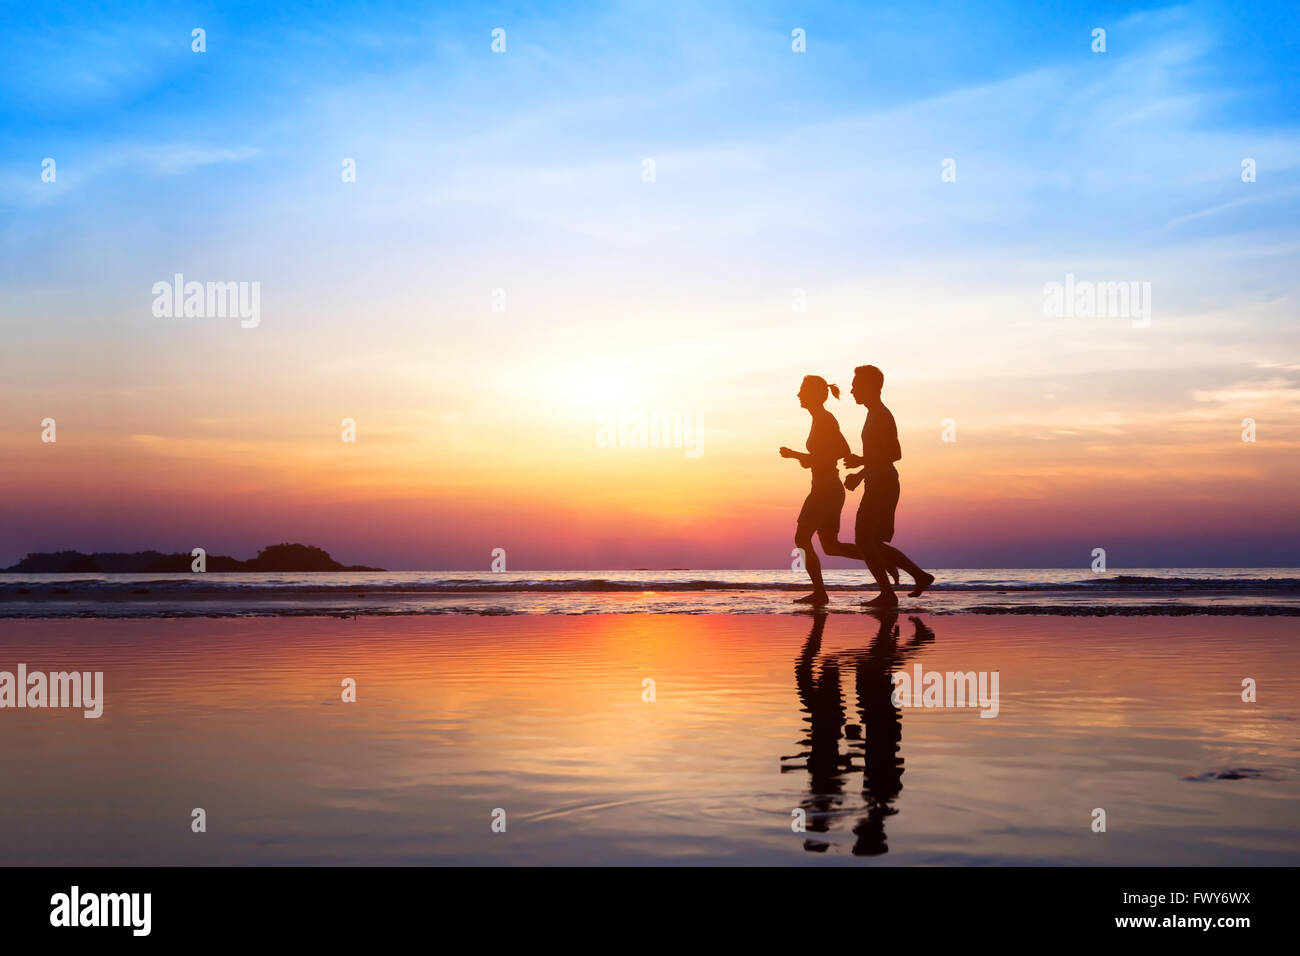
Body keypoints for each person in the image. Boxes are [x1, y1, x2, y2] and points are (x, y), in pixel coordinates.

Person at [842, 365, 934, 607]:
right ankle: (919, 577)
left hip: (884, 484)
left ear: (871, 386)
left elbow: (895, 453)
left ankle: (888, 594)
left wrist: (861, 461)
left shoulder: (882, 415)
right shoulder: (872, 414)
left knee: (864, 540)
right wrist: (860, 475)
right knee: (870, 541)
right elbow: (878, 456)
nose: (851, 390)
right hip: (877, 481)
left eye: (855, 384)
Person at [779, 375, 862, 604]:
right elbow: (827, 455)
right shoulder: (819, 419)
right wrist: (806, 458)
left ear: (814, 395)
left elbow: (842, 450)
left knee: (801, 538)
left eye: (802, 391)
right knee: (831, 546)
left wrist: (797, 455)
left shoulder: (825, 419)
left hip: (826, 490)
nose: (798, 395)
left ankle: (820, 593)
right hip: (825, 488)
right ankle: (881, 560)